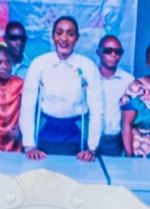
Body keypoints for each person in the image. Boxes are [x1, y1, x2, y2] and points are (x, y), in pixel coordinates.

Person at [19, 15, 98, 161]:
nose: (64, 38)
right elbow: (28, 106)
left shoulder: (87, 66)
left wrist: (92, 148)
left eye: (70, 34)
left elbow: (96, 109)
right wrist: (29, 145)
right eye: (59, 33)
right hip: (46, 130)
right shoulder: (39, 64)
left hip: (77, 132)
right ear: (53, 36)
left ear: (77, 38)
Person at [91, 34, 134, 157]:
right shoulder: (90, 78)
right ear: (99, 52)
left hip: (116, 140)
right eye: (108, 51)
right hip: (89, 137)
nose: (113, 55)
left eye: (118, 52)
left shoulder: (128, 81)